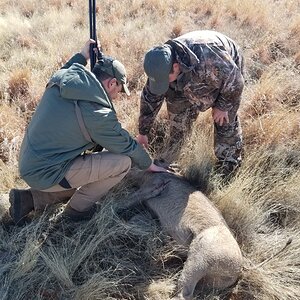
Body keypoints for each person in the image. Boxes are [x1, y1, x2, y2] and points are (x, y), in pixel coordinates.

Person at [9, 39, 167, 226]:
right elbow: (126, 145)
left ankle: (29, 200)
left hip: (30, 159)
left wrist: (83, 55)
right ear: (112, 83)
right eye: (118, 90)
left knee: (91, 170)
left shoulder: (63, 77)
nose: (117, 96)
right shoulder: (97, 113)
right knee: (122, 164)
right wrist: (149, 164)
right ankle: (75, 213)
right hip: (46, 170)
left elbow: (70, 66)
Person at [137, 30, 245, 176]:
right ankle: (176, 153)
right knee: (178, 117)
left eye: (165, 80)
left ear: (175, 67)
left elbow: (236, 82)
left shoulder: (208, 57)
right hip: (188, 77)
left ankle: (229, 165)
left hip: (227, 74)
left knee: (224, 121)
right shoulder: (159, 66)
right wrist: (143, 132)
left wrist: (222, 106)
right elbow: (150, 99)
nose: (163, 84)